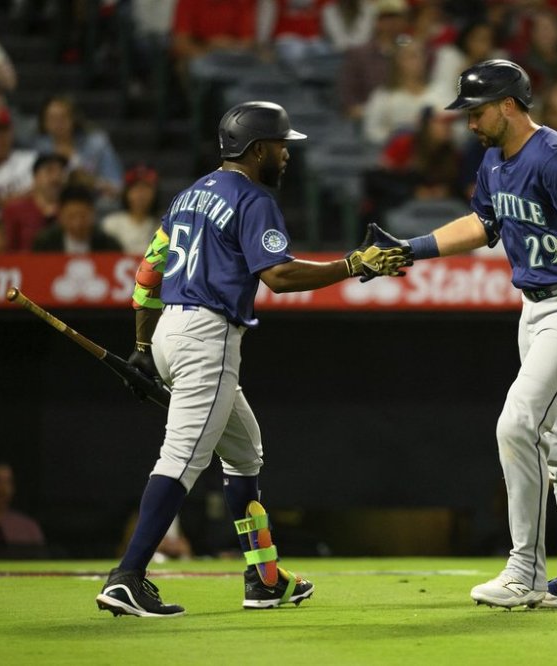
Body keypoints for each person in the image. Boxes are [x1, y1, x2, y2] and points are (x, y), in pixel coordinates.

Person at [94, 101, 408, 617]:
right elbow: (278, 277)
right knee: (181, 458)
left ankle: (263, 579)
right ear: (257, 148)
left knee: (244, 453)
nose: (287, 155)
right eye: (282, 146)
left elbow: (148, 275)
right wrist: (352, 263)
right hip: (207, 336)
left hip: (173, 328)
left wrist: (146, 348)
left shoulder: (187, 196)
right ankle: (128, 575)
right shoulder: (253, 198)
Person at [369, 60, 557, 610]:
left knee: (519, 424)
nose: (468, 122)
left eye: (477, 110)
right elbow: (483, 225)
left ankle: (525, 571)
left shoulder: (555, 156)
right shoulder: (493, 162)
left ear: (509, 105)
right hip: (535, 310)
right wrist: (412, 249)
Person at [33, 95, 124, 205]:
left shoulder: (97, 144)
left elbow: (118, 188)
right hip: (51, 206)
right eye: (52, 118)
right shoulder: (39, 149)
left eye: (63, 117)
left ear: (74, 118)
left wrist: (93, 182)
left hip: (93, 204)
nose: (58, 123)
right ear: (44, 123)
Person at [0, 152, 68, 252]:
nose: (56, 178)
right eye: (49, 171)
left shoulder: (71, 209)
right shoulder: (14, 210)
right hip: (25, 265)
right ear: (35, 177)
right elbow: (7, 250)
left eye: (61, 172)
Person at [31, 185, 123, 253]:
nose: (77, 223)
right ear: (60, 216)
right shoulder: (45, 243)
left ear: (93, 214)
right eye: (71, 216)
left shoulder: (109, 245)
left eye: (83, 216)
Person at [101, 165, 160, 255]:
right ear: (126, 193)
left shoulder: (163, 226)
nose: (141, 194)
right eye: (136, 188)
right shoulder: (111, 224)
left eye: (146, 188)